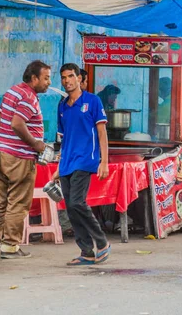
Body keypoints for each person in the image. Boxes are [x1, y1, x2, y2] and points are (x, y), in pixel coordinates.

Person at [0, 60, 51, 259]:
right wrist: (36, 144)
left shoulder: (12, 91)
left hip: (1, 153)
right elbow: (17, 123)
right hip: (19, 157)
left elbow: (1, 116)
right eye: (46, 78)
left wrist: (5, 139)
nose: (48, 82)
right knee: (18, 203)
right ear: (34, 78)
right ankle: (10, 246)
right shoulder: (29, 98)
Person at [53, 63, 111, 266]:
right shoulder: (62, 106)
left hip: (86, 159)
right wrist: (58, 168)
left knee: (78, 202)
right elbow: (63, 138)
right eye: (63, 77)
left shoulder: (93, 101)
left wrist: (104, 161)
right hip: (67, 162)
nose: (67, 80)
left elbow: (102, 133)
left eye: (70, 76)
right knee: (70, 208)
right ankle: (86, 251)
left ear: (79, 78)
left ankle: (102, 242)